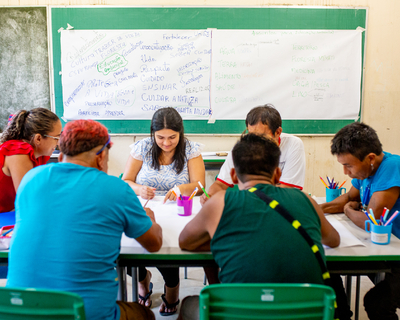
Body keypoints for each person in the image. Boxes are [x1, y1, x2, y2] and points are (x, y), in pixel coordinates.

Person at [7, 120, 163, 320]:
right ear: (102, 156)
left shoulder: (30, 179)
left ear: (61, 155)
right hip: (81, 313)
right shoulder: (115, 188)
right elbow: (154, 244)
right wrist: (149, 218)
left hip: (19, 311)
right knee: (144, 314)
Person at [178, 133, 340, 319]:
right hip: (305, 312)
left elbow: (185, 242)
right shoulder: (306, 200)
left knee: (189, 304)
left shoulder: (220, 202)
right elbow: (333, 240)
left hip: (237, 312)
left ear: (233, 176)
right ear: (278, 174)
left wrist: (228, 241)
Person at [122, 107, 205, 316]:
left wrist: (181, 189)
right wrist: (140, 189)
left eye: (172, 137)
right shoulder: (142, 148)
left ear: (181, 134)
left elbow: (200, 185)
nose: (166, 143)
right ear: (153, 133)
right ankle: (143, 282)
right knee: (133, 246)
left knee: (168, 245)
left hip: (177, 211)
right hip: (145, 208)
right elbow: (126, 181)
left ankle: (172, 289)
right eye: (160, 137)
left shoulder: (190, 149)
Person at [320, 122, 400, 320]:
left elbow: (370, 219)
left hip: (395, 254)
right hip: (385, 248)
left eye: (348, 165)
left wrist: (348, 211)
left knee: (376, 302)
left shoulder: (392, 166)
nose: (346, 172)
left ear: (370, 158)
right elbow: (348, 198)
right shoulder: (367, 171)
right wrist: (315, 210)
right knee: (329, 272)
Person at [201, 104, 305, 206]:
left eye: (261, 136)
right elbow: (220, 184)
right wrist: (211, 197)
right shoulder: (242, 147)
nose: (255, 141)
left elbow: (287, 191)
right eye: (251, 135)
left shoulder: (293, 145)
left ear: (277, 132)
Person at [0, 108, 61, 214]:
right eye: (56, 138)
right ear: (38, 139)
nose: (58, 143)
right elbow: (28, 200)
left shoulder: (39, 155)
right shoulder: (19, 152)